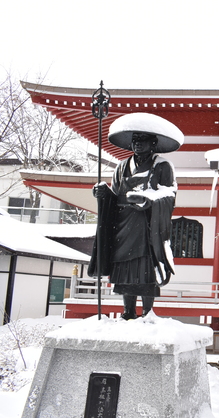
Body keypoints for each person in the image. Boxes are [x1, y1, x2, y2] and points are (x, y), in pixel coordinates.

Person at [90, 113, 183, 320]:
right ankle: (127, 311)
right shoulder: (121, 167)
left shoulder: (162, 166)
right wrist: (104, 194)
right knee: (124, 269)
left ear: (153, 143)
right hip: (122, 223)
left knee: (145, 267)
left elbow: (169, 194)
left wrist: (149, 200)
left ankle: (148, 312)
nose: (137, 145)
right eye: (134, 141)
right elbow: (115, 195)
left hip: (146, 225)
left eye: (142, 141)